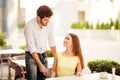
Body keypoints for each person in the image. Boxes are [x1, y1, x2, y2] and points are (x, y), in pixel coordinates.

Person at [24, 5, 57, 80]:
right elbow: (32, 48)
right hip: (31, 56)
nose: (47, 22)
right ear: (38, 17)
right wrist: (40, 65)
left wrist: (56, 58)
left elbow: (52, 42)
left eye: (48, 19)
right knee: (33, 78)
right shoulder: (29, 26)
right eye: (45, 20)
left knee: (42, 78)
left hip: (43, 55)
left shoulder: (50, 24)